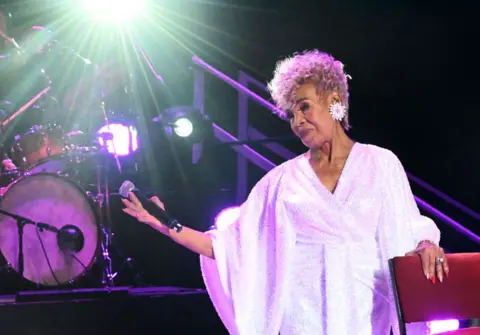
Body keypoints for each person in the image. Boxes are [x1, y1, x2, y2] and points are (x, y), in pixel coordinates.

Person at [121, 50, 448, 335]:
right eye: (291, 113)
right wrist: (165, 224)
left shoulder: (381, 164)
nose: (297, 121)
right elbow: (226, 247)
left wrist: (426, 244)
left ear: (334, 101)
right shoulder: (281, 182)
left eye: (305, 107)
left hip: (364, 316)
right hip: (302, 319)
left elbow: (409, 226)